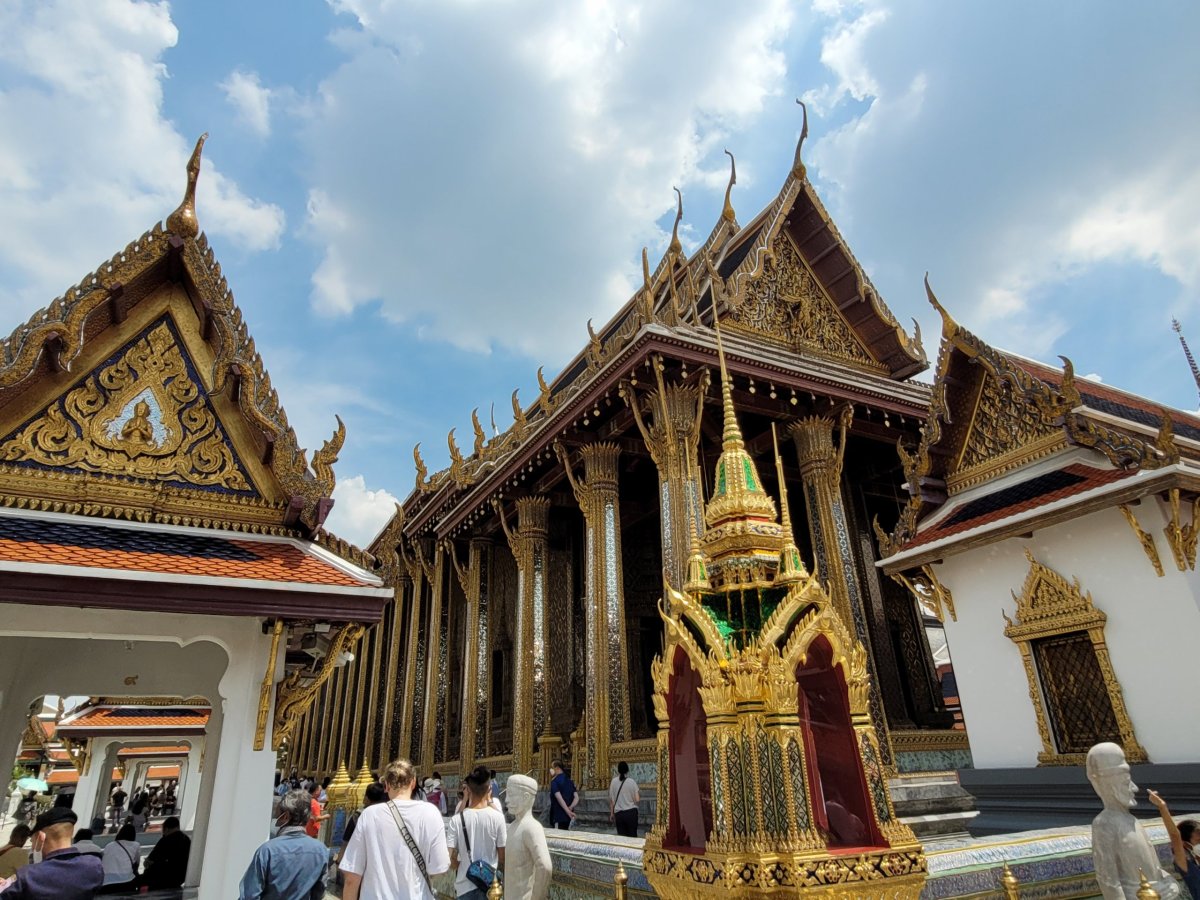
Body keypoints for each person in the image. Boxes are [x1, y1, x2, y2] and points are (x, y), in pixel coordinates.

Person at [339, 758, 450, 900]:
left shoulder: (369, 814)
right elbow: (439, 867)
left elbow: (351, 877)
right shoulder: (431, 813)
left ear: (386, 786)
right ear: (413, 783)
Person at [1086, 742, 1180, 899]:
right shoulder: (1103, 823)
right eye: (1125, 782)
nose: (1134, 788)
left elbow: (1154, 869)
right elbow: (1108, 881)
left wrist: (1168, 883)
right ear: (1102, 783)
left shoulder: (1132, 820)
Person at [238, 789, 327, 900]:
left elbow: (249, 895)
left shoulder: (268, 851)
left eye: (277, 814)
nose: (275, 819)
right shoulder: (320, 851)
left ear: (285, 816)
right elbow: (319, 893)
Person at [0, 806, 103, 899]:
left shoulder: (28, 876)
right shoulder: (94, 866)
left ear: (41, 837)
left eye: (32, 840)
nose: (32, 845)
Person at [448, 766, 505, 900]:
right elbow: (502, 856)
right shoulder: (498, 818)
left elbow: (448, 859)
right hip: (490, 886)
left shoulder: (457, 819)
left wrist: (461, 866)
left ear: (468, 789)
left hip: (464, 886)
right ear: (489, 789)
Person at [504, 775, 551, 900]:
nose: (506, 800)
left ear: (526, 797)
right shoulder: (513, 826)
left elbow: (545, 866)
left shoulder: (532, 828)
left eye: (511, 795)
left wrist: (536, 897)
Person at [1149, 790, 1200, 899]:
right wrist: (1162, 807)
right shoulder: (1188, 867)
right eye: (1198, 840)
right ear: (1186, 844)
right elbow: (1175, 836)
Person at [139, 815, 190, 890]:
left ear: (166, 829)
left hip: (163, 879)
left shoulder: (165, 840)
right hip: (180, 878)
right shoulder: (187, 840)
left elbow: (149, 861)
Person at [99, 822, 140, 893]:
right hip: (126, 882)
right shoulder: (136, 845)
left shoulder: (109, 845)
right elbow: (137, 863)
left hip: (106, 883)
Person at [608, 762, 640, 838]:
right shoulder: (632, 782)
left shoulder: (613, 782)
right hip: (631, 813)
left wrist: (612, 814)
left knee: (622, 839)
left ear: (618, 770)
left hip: (619, 815)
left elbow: (612, 800)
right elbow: (637, 799)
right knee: (633, 838)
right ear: (627, 770)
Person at [548, 761, 577, 830]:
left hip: (559, 816)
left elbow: (559, 798)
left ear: (557, 768)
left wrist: (568, 812)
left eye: (552, 767)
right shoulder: (570, 781)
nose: (550, 770)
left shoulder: (554, 781)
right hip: (569, 818)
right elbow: (576, 797)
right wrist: (570, 808)